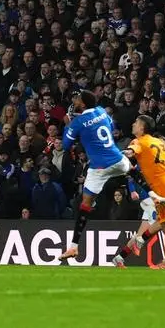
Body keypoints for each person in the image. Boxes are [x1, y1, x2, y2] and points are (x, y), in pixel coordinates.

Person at [57, 90, 130, 261]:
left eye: (77, 100)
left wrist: (68, 125)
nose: (75, 102)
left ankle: (74, 247)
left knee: (85, 204)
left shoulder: (78, 122)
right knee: (131, 168)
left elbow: (66, 145)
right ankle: (154, 194)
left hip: (98, 167)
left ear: (82, 104)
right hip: (116, 159)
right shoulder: (102, 111)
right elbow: (111, 128)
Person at [118, 114, 165, 269]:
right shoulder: (159, 142)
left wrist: (118, 154)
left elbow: (131, 152)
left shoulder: (138, 141)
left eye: (136, 122)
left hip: (163, 186)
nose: (133, 124)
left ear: (142, 127)